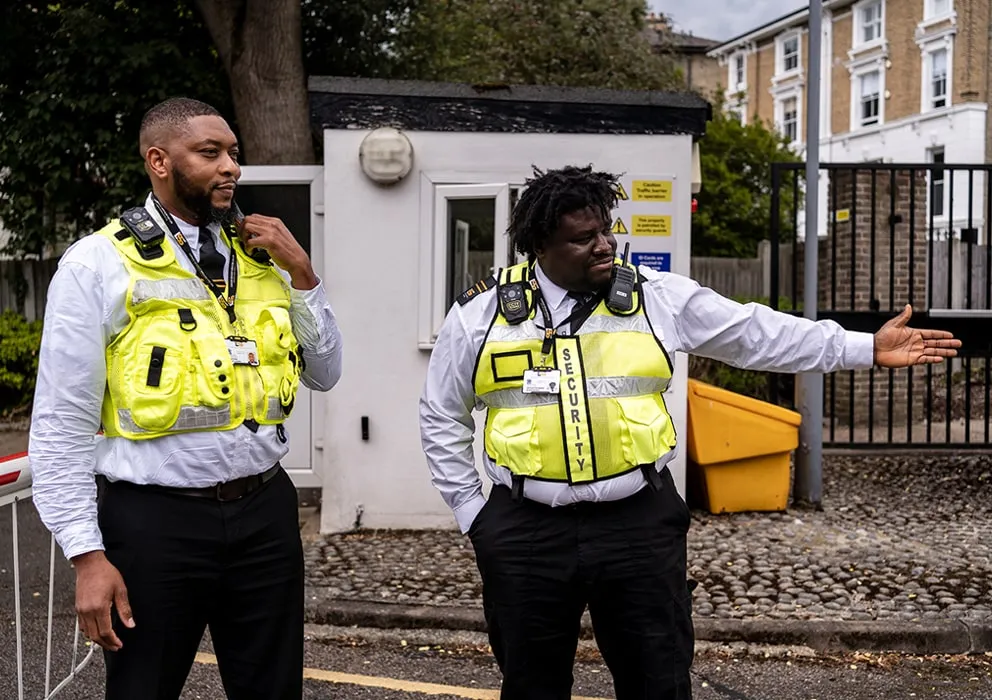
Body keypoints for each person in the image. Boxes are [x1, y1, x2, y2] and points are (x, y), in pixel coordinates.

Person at [418, 165, 960, 700]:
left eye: (607, 229)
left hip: (637, 524)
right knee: (532, 685)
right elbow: (441, 414)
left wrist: (865, 347)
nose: (605, 245)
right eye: (584, 239)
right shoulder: (481, 314)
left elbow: (755, 333)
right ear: (540, 246)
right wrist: (474, 514)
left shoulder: (657, 296)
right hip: (525, 529)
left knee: (659, 681)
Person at [28, 97, 343, 700]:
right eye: (211, 153)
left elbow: (325, 373)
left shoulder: (263, 258)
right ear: (159, 161)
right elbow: (61, 424)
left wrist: (303, 273)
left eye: (234, 154)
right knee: (144, 687)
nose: (231, 167)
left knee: (273, 689)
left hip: (265, 513)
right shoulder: (97, 263)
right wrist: (85, 555)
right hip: (155, 522)